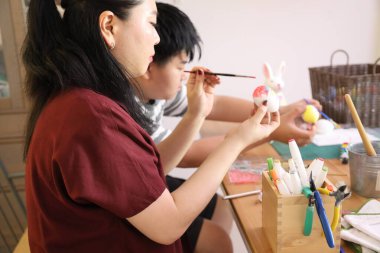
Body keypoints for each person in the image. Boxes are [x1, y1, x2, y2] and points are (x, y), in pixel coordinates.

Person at [22, 1, 280, 253]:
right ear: (109, 26)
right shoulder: (92, 117)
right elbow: (169, 224)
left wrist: (197, 114)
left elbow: (151, 169)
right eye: (151, 22)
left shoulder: (80, 101)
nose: (157, 38)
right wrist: (236, 141)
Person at [138, 3, 321, 170]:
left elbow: (216, 105)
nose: (185, 75)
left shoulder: (155, 92)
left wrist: (280, 111)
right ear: (149, 64)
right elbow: (182, 156)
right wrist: (270, 132)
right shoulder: (131, 109)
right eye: (180, 67)